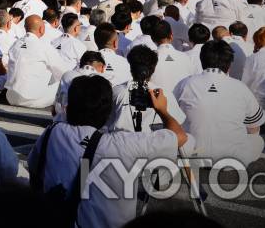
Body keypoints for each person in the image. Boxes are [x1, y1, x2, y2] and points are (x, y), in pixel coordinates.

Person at [29, 74, 188, 228]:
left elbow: (34, 169)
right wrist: (162, 110)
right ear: (107, 113)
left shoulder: (53, 133)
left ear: (69, 107)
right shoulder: (124, 144)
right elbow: (180, 136)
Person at [173, 40, 265, 166]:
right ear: (229, 65)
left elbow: (172, 117)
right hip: (232, 159)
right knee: (258, 140)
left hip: (192, 157)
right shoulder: (240, 87)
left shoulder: (185, 84)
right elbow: (254, 125)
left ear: (202, 61)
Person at [107, 46, 187, 133]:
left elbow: (107, 123)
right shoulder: (165, 95)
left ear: (130, 68)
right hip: (155, 145)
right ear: (153, 69)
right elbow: (179, 127)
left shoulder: (115, 92)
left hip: (121, 144)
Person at [4, 14, 68, 108]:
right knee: (65, 82)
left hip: (11, 97)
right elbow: (63, 72)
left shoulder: (15, 44)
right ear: (42, 29)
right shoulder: (44, 46)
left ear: (25, 28)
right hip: (32, 100)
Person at [54, 51, 107, 123]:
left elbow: (56, 106)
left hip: (63, 122)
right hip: (91, 126)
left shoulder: (67, 75)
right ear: (102, 66)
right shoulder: (104, 80)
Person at [148, 19, 192, 95]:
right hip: (180, 103)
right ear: (171, 36)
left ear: (152, 39)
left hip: (158, 102)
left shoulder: (148, 60)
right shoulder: (185, 57)